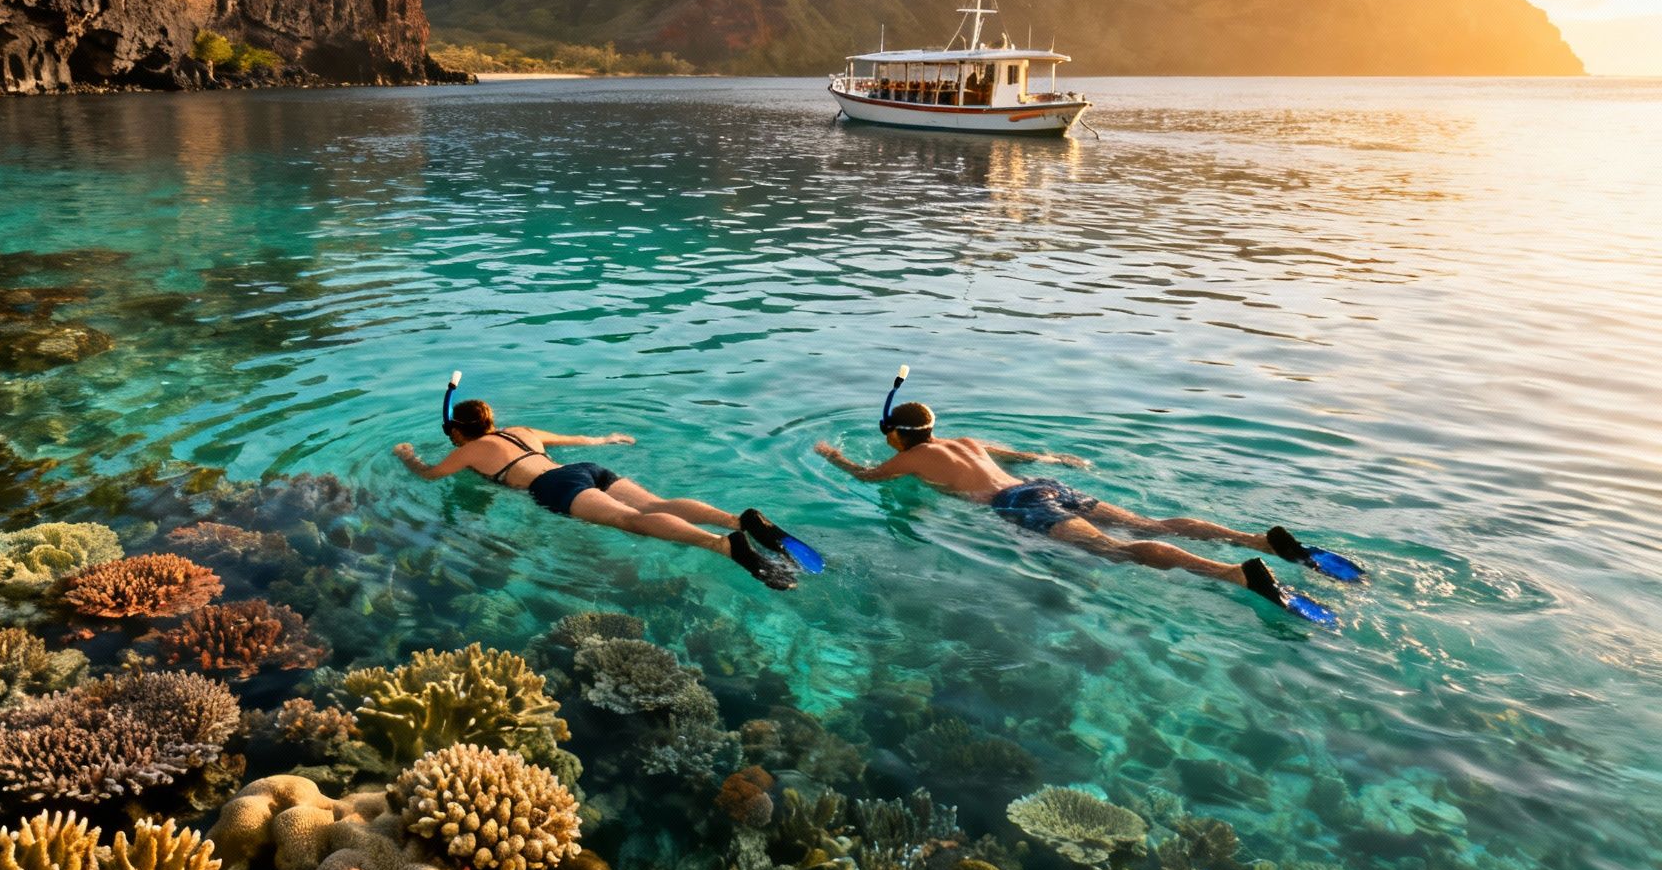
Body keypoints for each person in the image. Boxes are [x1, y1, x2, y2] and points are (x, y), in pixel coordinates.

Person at [815, 401, 1360, 624]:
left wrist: (833, 456)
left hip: (1016, 503)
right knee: (1151, 524)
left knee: (1114, 550)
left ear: (896, 435)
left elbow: (864, 476)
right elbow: (1026, 455)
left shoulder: (910, 461)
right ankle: (1258, 542)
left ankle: (1235, 573)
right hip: (1042, 484)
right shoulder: (966, 440)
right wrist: (1057, 458)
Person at [395, 396, 814, 590]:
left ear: (460, 430)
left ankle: (723, 545)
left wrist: (408, 455)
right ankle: (737, 520)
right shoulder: (519, 431)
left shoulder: (472, 450)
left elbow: (430, 475)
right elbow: (575, 439)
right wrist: (607, 438)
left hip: (554, 486)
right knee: (654, 504)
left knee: (630, 521)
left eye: (452, 432)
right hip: (583, 468)